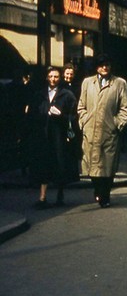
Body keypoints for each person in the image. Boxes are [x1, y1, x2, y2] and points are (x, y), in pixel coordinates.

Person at [78, 54, 127, 208]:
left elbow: (125, 108)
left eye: (107, 64)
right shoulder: (87, 83)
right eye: (101, 65)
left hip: (109, 131)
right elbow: (81, 105)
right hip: (91, 130)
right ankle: (97, 189)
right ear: (96, 67)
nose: (104, 67)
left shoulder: (120, 83)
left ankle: (105, 195)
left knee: (108, 167)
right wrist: (84, 120)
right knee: (91, 165)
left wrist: (117, 123)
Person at [27, 65, 78, 208]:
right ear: (46, 78)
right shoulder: (39, 95)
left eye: (56, 76)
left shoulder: (67, 95)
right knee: (43, 165)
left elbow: (74, 116)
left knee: (60, 165)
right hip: (43, 136)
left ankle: (60, 194)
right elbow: (32, 114)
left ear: (60, 78)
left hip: (59, 137)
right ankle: (42, 197)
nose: (53, 79)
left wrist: (61, 116)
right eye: (50, 76)